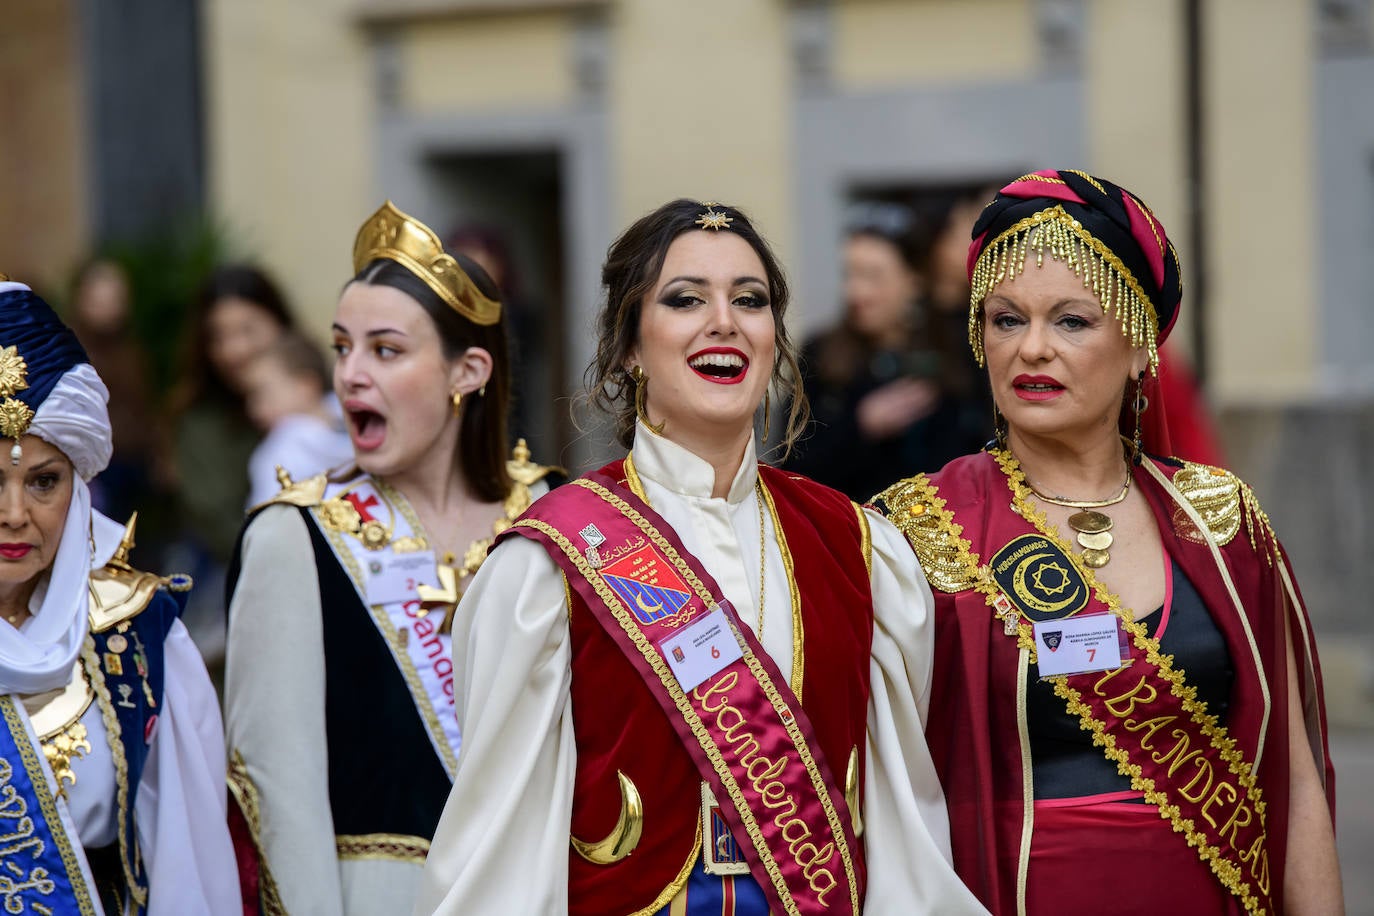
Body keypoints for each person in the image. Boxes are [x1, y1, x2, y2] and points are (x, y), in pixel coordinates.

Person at [414, 199, 987, 915]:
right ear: (628, 345)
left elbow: (906, 831)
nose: (725, 321)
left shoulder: (859, 547)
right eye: (685, 300)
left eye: (750, 300)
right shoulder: (548, 565)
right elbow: (502, 852)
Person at [873, 170, 1340, 914]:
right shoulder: (919, 531)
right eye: (1005, 320)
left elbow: (1294, 782)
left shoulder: (1220, 520)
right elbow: (881, 804)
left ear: (1138, 347)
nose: (1031, 349)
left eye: (1071, 321)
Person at [223, 201, 558, 914]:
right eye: (342, 347)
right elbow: (278, 790)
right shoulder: (294, 537)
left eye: (385, 350)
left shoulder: (553, 517)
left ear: (467, 371)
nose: (349, 375)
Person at [0, 275, 240, 914]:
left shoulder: (139, 633)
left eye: (44, 481)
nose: (16, 513)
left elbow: (186, 869)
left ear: (79, 489)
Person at [168, 265, 295, 664]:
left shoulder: (317, 401)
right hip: (241, 613)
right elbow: (220, 525)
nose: (233, 349)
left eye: (248, 330)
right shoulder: (200, 421)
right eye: (218, 336)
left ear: (280, 325)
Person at [239, 331, 353, 508]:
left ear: (306, 386)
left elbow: (265, 521)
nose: (253, 410)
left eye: (262, 394)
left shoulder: (274, 456)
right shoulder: (360, 416)